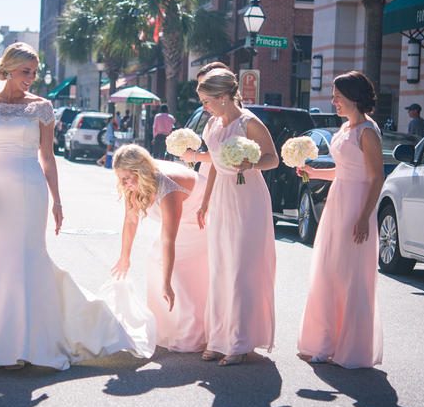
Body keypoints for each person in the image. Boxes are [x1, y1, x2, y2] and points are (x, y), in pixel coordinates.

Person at [0, 42, 152, 370]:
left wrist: (57, 200)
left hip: (31, 189)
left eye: (34, 73)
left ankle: (23, 344)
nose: (31, 78)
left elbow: (47, 157)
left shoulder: (42, 108)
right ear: (7, 70)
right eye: (26, 72)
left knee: (27, 255)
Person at [296, 71, 384, 369]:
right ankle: (326, 342)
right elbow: (343, 170)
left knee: (350, 276)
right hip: (336, 202)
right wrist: (313, 172)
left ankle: (352, 347)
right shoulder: (346, 128)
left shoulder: (367, 132)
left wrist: (364, 217)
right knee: (329, 271)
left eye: (337, 96)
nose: (333, 101)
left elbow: (376, 177)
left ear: (353, 98)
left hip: (356, 206)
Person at [194, 69, 278, 366]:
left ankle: (240, 342)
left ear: (224, 97)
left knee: (241, 269)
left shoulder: (249, 123)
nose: (204, 107)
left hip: (248, 200)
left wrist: (250, 164)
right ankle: (218, 339)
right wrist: (205, 201)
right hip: (221, 200)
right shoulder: (214, 124)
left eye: (207, 101)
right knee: (220, 269)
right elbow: (216, 163)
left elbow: (273, 158)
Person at [111, 145, 209, 352]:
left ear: (141, 172)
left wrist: (166, 283)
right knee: (154, 259)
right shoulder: (134, 186)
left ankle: (193, 333)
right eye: (120, 178)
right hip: (185, 216)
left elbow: (168, 240)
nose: (122, 183)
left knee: (176, 270)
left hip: (204, 216)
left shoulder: (167, 186)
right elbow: (130, 220)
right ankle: (166, 328)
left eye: (126, 177)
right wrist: (124, 258)